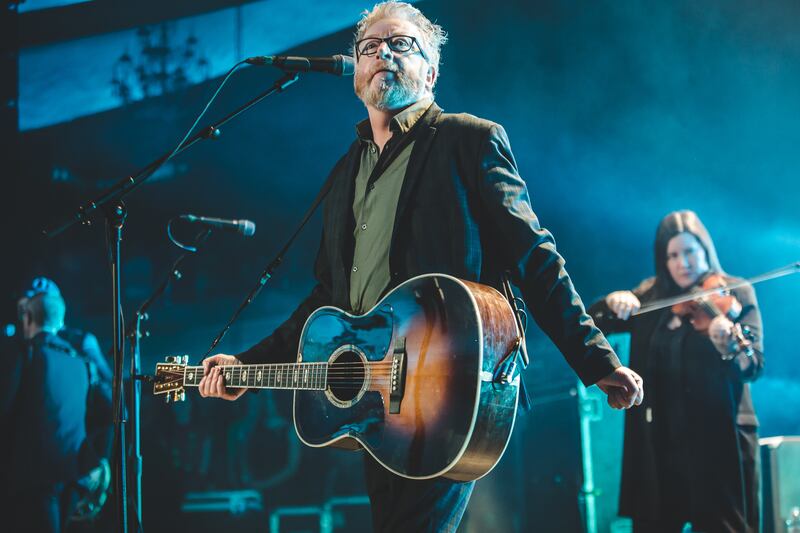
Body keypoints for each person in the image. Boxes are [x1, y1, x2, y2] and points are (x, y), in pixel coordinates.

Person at [199, 1, 644, 530]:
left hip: (455, 384)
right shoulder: (345, 172)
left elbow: (535, 257)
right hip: (377, 401)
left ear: (430, 71)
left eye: (401, 43)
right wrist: (246, 366)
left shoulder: (469, 139)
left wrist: (596, 360)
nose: (382, 51)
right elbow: (328, 299)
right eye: (369, 47)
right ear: (356, 76)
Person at [589, 210, 763, 533]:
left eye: (690, 251)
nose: (683, 262)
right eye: (673, 255)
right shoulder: (650, 296)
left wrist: (728, 346)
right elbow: (592, 321)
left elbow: (753, 366)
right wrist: (612, 301)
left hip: (718, 445)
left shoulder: (735, 292)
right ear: (663, 260)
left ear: (705, 250)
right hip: (660, 445)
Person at [0, 278, 112, 532]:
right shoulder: (81, 363)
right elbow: (112, 411)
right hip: (72, 479)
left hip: (31, 483)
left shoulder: (24, 355)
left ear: (26, 316)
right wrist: (97, 461)